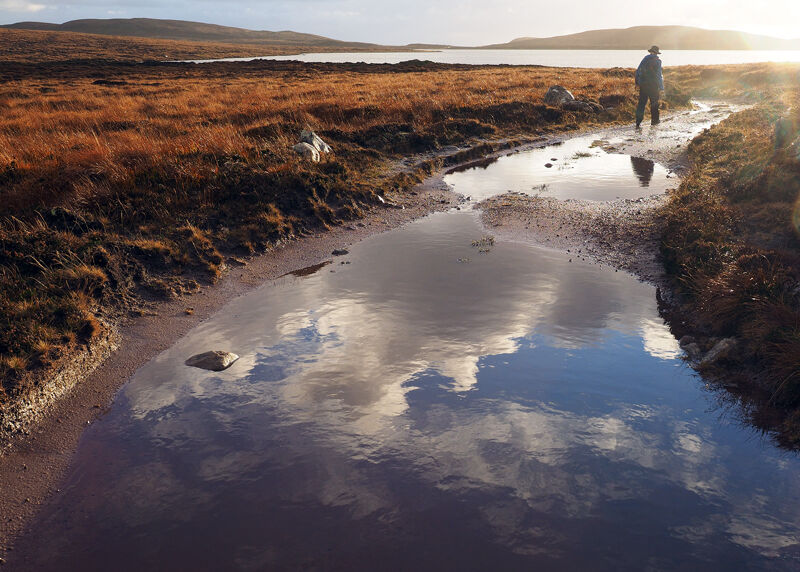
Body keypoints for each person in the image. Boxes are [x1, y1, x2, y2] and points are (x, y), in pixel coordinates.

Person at [635, 45, 664, 128]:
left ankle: (638, 121)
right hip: (653, 86)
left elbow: (638, 71)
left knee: (641, 103)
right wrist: (661, 88)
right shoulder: (658, 61)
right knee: (654, 103)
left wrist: (637, 83)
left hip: (643, 85)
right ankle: (654, 121)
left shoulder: (644, 59)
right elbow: (659, 75)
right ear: (656, 53)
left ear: (650, 52)